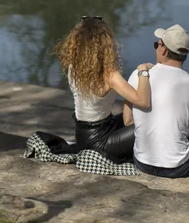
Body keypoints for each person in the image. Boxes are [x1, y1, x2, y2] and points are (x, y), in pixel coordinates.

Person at [123, 24, 189, 178]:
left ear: (164, 50)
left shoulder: (139, 74)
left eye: (157, 44)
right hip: (177, 168)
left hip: (141, 162)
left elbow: (128, 119)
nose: (156, 48)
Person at [53, 16, 153, 163]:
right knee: (150, 122)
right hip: (100, 143)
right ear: (104, 44)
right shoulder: (109, 75)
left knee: (137, 116)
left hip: (83, 135)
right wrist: (143, 71)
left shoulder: (74, 67)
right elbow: (143, 102)